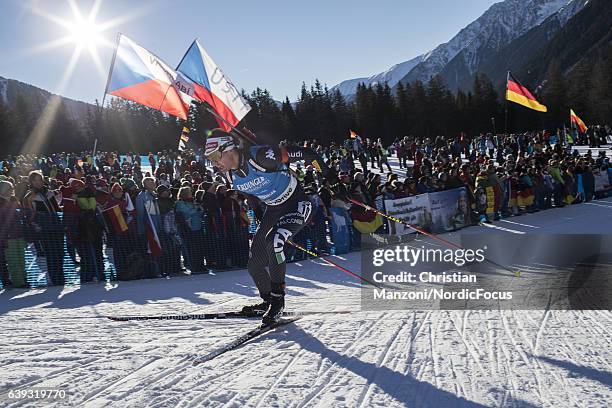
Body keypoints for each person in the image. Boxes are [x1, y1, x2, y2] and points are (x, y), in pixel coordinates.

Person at [204, 129, 332, 325]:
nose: (213, 163)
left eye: (214, 157)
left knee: (275, 240)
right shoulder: (230, 177)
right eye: (209, 159)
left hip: (297, 203)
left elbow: (309, 154)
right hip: (273, 210)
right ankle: (268, 300)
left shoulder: (261, 157)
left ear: (228, 149)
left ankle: (278, 302)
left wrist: (330, 177)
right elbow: (249, 193)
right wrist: (258, 212)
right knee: (254, 264)